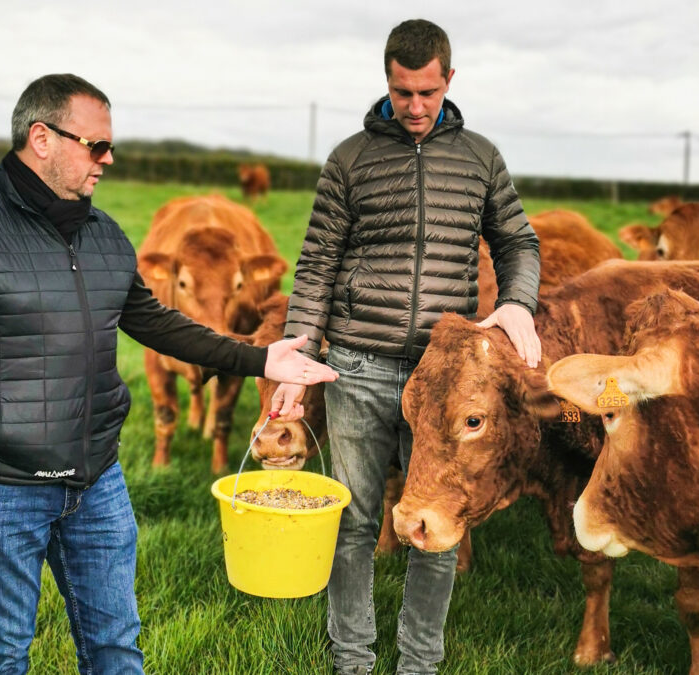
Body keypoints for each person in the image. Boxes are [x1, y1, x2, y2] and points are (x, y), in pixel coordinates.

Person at [0, 73, 336, 674]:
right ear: (42, 138)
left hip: (96, 483)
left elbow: (155, 322)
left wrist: (260, 357)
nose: (108, 159)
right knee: (2, 656)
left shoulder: (104, 235)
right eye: (95, 145)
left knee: (116, 648)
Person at [272, 20, 542, 675]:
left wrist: (517, 303)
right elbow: (317, 262)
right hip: (357, 365)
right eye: (401, 92)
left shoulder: (479, 156)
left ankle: (420, 662)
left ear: (449, 80)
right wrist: (294, 357)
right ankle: (353, 659)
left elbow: (518, 242)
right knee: (356, 522)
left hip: (442, 377)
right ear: (386, 81)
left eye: (426, 92)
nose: (415, 107)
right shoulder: (350, 159)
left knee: (437, 525)